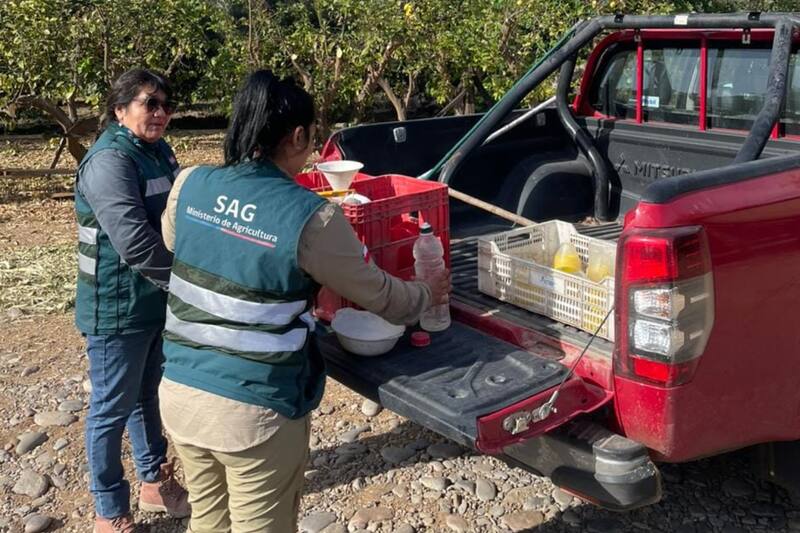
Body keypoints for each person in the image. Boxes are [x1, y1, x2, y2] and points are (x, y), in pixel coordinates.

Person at [158, 70, 450, 533]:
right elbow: (383, 298)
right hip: (252, 407)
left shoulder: (189, 183)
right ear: (297, 136)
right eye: (313, 138)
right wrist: (426, 292)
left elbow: (177, 241)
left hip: (179, 391)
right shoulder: (310, 217)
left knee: (209, 521)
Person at [74, 68, 190, 533]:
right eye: (149, 103)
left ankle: (153, 480)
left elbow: (180, 208)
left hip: (152, 299)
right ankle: (109, 510)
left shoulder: (157, 149)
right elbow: (136, 244)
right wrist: (187, 284)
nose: (160, 113)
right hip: (116, 305)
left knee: (148, 392)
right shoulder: (109, 162)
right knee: (110, 406)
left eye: (166, 104)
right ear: (120, 110)